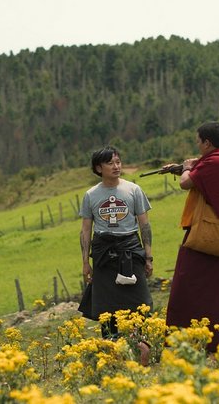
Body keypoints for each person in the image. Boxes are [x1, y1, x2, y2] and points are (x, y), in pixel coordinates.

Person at [165, 121, 219, 353]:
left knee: (184, 286)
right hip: (218, 233)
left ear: (207, 142)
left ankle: (187, 339)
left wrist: (186, 167)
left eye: (199, 141)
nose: (198, 145)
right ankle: (212, 338)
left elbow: (186, 183)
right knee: (212, 290)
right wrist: (193, 164)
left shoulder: (214, 162)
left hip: (206, 235)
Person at [79, 146, 153, 365]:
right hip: (103, 253)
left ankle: (142, 348)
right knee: (106, 307)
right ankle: (112, 353)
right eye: (111, 163)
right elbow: (85, 230)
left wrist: (148, 257)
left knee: (139, 302)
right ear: (98, 168)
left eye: (118, 162)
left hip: (130, 249)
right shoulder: (91, 195)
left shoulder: (133, 190)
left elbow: (145, 225)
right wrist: (85, 262)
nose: (116, 166)